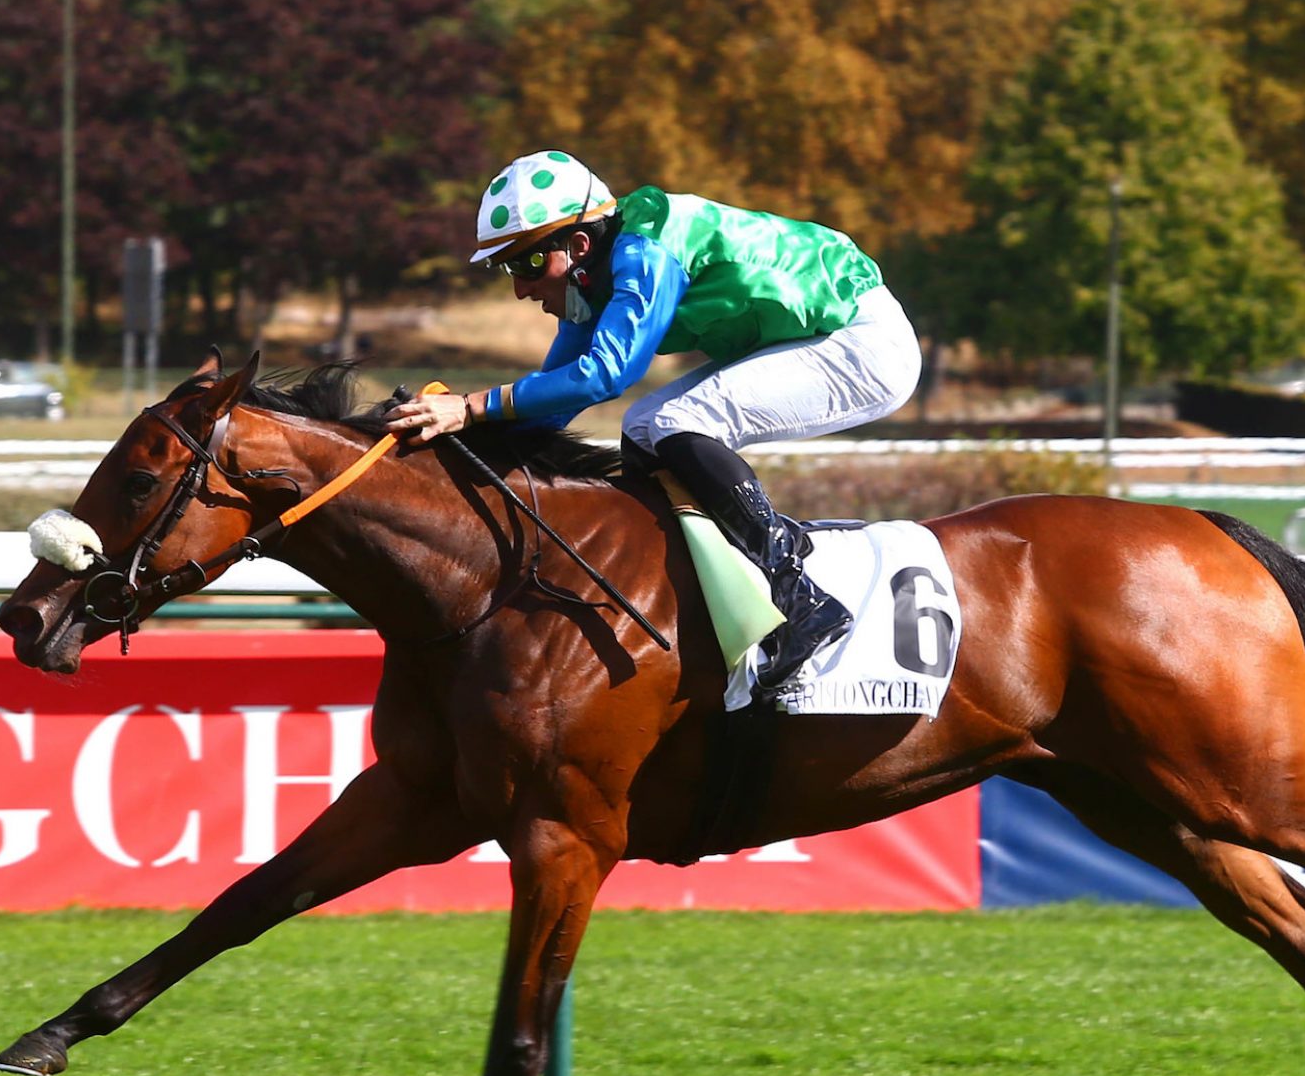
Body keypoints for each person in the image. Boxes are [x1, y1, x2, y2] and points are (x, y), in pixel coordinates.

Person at [386, 150, 922, 693]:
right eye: (509, 269)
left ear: (579, 246)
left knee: (675, 419)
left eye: (528, 264)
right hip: (815, 336)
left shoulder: (647, 252)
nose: (521, 289)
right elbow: (554, 399)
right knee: (644, 427)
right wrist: (463, 437)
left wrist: (472, 407)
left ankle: (799, 597)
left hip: (860, 341)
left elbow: (606, 374)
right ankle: (695, 597)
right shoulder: (588, 282)